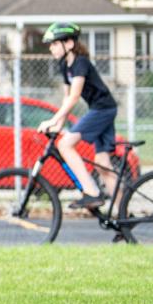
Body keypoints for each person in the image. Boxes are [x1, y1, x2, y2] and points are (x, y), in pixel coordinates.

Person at [37, 21, 118, 209]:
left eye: (55, 43)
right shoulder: (65, 67)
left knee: (65, 144)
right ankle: (125, 217)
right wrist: (58, 125)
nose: (51, 48)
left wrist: (52, 119)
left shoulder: (81, 63)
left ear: (70, 44)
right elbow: (66, 98)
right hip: (100, 109)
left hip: (103, 109)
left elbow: (74, 97)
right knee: (102, 164)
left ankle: (92, 192)